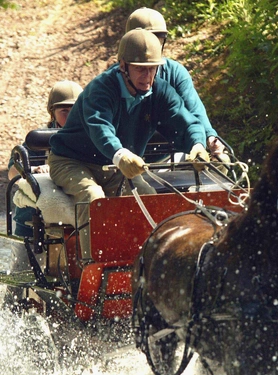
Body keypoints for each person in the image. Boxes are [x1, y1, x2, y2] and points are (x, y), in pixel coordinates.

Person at [48, 29, 210, 260]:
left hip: (116, 165)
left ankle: (146, 266)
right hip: (71, 161)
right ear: (123, 65)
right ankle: (91, 269)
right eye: (139, 68)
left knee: (148, 195)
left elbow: (186, 121)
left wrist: (197, 144)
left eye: (152, 68)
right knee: (94, 198)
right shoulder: (101, 88)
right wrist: (120, 154)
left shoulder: (161, 91)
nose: (147, 76)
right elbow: (99, 126)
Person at [4, 80, 83, 311]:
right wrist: (31, 171)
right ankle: (11, 314)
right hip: (31, 227)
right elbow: (11, 171)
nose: (69, 117)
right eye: (64, 111)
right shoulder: (35, 142)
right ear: (52, 112)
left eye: (74, 111)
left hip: (70, 229)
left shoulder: (88, 140)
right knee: (19, 285)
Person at [124, 7, 230, 166]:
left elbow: (195, 112)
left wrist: (210, 138)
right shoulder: (117, 77)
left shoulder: (175, 72)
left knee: (220, 167)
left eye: (157, 40)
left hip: (172, 156)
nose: (151, 47)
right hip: (129, 160)